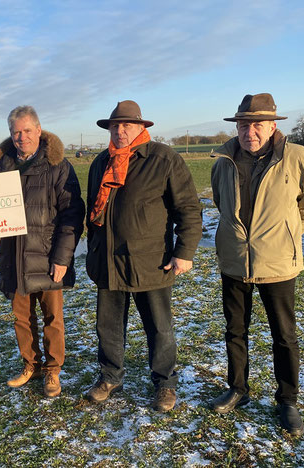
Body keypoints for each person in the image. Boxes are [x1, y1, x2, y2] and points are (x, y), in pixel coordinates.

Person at [209, 93, 304, 436]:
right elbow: (220, 202)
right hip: (234, 260)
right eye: (244, 124)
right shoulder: (222, 162)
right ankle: (238, 389)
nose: (250, 131)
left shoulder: (298, 157)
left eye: (257, 124)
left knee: (284, 335)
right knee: (235, 331)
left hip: (278, 263)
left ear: (273, 125)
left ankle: (287, 400)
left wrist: (283, 236)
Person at [85, 100, 202, 411]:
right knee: (107, 326)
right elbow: (91, 214)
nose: (120, 131)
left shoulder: (164, 159)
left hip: (150, 260)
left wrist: (184, 251)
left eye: (127, 125)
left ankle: (165, 384)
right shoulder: (100, 163)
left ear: (141, 127)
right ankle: (110, 376)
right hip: (107, 259)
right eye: (114, 125)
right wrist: (93, 251)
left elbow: (188, 208)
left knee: (159, 327)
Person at [0, 105, 84, 398]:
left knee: (52, 318)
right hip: (14, 256)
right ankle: (29, 364)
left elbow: (71, 214)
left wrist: (62, 259)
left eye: (27, 130)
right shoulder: (3, 167)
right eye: (16, 132)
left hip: (46, 256)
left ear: (39, 130)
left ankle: (53, 371)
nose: (22, 137)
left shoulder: (58, 166)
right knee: (21, 318)